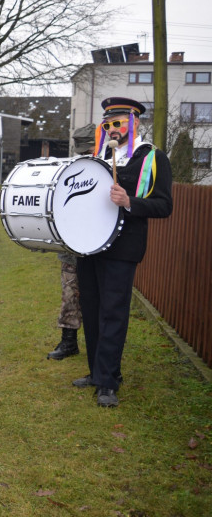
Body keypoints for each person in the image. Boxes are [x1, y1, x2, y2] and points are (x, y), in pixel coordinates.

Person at [73, 98, 172, 407]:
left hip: (123, 248)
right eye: (108, 123)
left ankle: (107, 381)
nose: (113, 128)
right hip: (89, 245)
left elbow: (164, 206)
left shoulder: (154, 158)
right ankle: (95, 371)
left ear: (135, 123)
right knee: (90, 309)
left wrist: (129, 201)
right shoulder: (96, 156)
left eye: (119, 123)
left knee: (113, 313)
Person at [47, 124, 96, 360]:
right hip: (71, 251)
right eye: (82, 152)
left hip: (99, 251)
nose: (85, 155)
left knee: (96, 300)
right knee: (70, 296)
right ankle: (69, 343)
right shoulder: (69, 170)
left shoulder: (106, 169)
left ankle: (99, 348)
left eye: (89, 150)